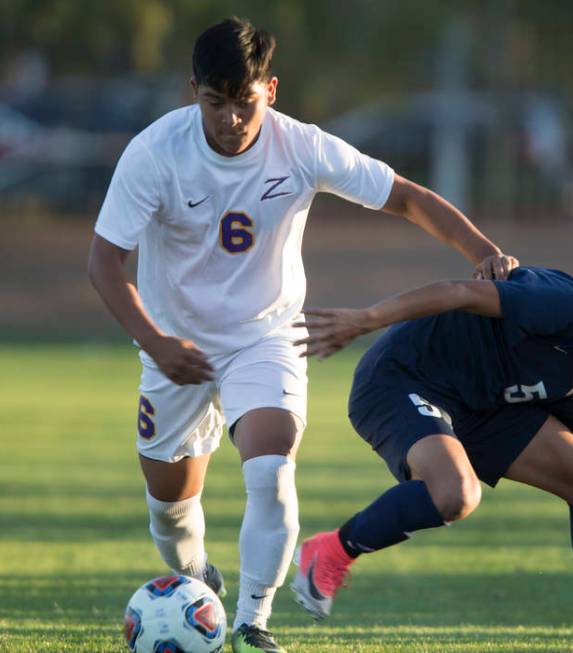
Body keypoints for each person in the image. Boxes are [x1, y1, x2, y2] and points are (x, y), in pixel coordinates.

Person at [87, 17, 517, 653]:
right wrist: (155, 343)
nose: (231, 118)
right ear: (193, 91)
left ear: (272, 89)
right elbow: (103, 263)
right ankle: (195, 574)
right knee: (169, 508)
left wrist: (484, 252)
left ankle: (252, 621)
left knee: (271, 469)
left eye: (245, 101)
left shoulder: (302, 147)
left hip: (267, 336)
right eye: (215, 102)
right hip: (175, 345)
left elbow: (404, 197)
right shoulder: (155, 153)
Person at [291, 253, 573, 653]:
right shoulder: (562, 304)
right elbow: (459, 292)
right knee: (456, 494)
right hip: (403, 377)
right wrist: (365, 319)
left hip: (482, 407)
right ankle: (330, 550)